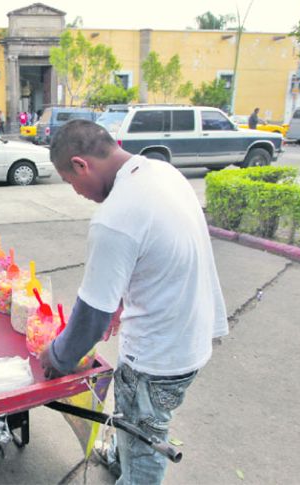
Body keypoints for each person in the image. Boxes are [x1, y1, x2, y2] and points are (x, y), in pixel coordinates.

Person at [40, 120, 229, 485]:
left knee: (146, 439)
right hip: (192, 336)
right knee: (138, 420)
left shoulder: (114, 217)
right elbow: (158, 252)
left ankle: (134, 466)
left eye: (70, 182)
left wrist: (58, 356)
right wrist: (122, 300)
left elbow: (89, 320)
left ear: (81, 164)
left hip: (156, 359)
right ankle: (122, 453)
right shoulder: (161, 172)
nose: (76, 192)